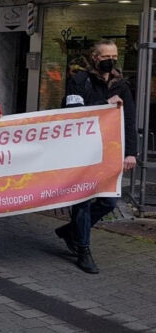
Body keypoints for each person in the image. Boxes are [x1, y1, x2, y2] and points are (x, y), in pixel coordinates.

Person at [54, 39, 136, 274]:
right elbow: (72, 112)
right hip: (80, 152)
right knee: (82, 201)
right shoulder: (79, 81)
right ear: (94, 58)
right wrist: (104, 103)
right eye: (105, 56)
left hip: (107, 152)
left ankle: (70, 232)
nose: (110, 60)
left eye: (114, 55)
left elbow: (128, 119)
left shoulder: (121, 84)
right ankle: (83, 250)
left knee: (108, 201)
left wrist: (131, 152)